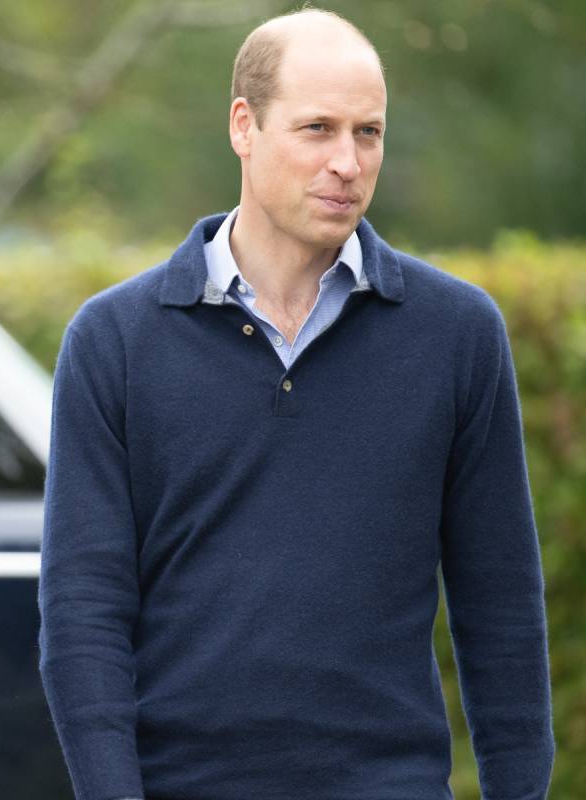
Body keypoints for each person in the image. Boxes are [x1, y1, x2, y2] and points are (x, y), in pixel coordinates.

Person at [39, 8, 554, 800]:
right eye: (317, 129)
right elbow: (83, 616)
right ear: (244, 125)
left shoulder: (457, 333)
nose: (347, 162)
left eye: (368, 133)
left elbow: (502, 608)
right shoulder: (115, 340)